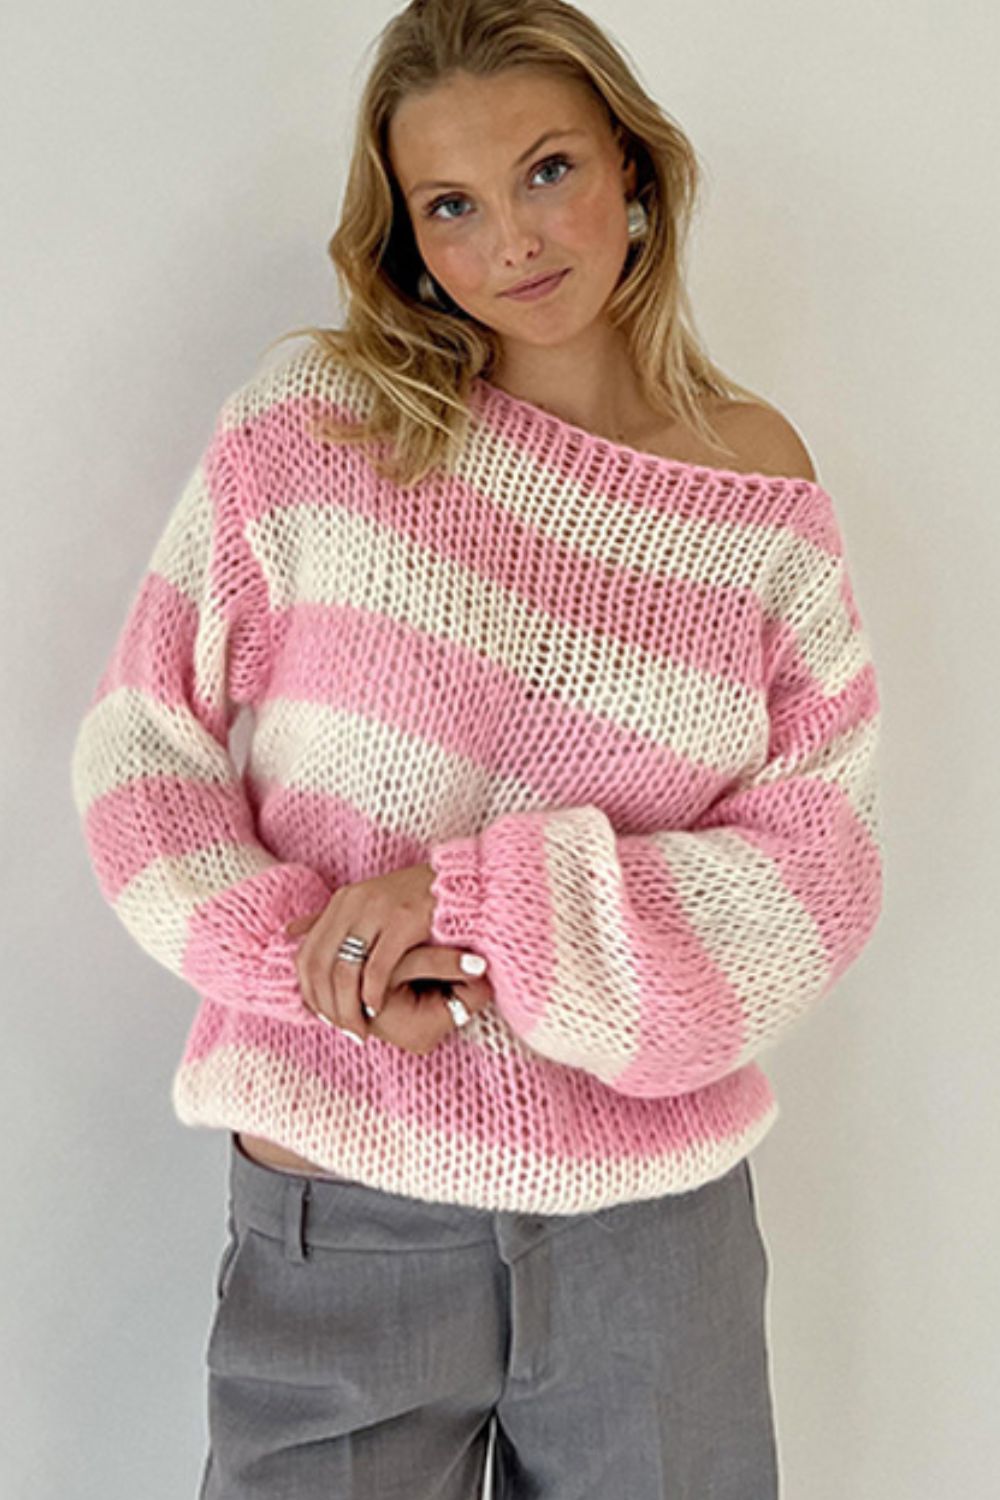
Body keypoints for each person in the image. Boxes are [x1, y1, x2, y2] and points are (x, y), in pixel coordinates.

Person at [69, 1, 885, 1495]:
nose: (513, 238)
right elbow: (142, 747)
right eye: (451, 204)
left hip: (655, 1236)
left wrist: (474, 905)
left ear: (633, 168)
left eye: (548, 169)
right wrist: (307, 957)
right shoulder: (317, 425)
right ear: (405, 235)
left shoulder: (756, 486)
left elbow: (813, 872)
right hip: (341, 1217)